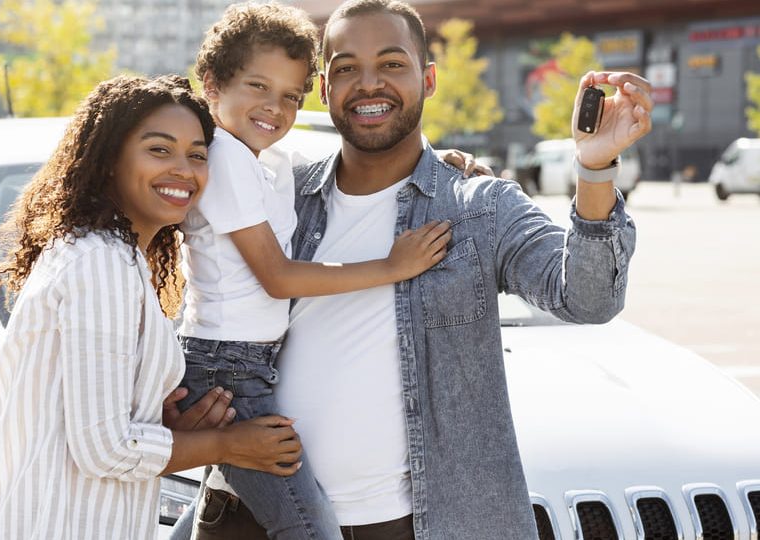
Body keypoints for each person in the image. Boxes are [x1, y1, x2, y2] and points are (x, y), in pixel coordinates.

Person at [193, 0, 652, 538]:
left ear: (428, 79)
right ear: (324, 89)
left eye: (391, 64)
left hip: (399, 524)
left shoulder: (479, 207)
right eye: (345, 68)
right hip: (243, 511)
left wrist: (594, 168)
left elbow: (589, 299)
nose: (368, 84)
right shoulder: (283, 190)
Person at [168, 3, 491, 538]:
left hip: (248, 366)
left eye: (290, 96)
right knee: (307, 525)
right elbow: (278, 277)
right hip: (227, 369)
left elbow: (364, 164)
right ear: (211, 84)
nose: (274, 107)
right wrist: (391, 266)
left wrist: (439, 160)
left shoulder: (265, 160)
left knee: (273, 505)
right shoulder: (224, 157)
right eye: (257, 86)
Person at [0, 75, 306, 540]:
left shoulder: (120, 260)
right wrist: (229, 445)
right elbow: (104, 450)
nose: (184, 170)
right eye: (159, 150)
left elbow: (85, 422)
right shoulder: (99, 263)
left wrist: (168, 427)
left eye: (198, 155)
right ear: (109, 162)